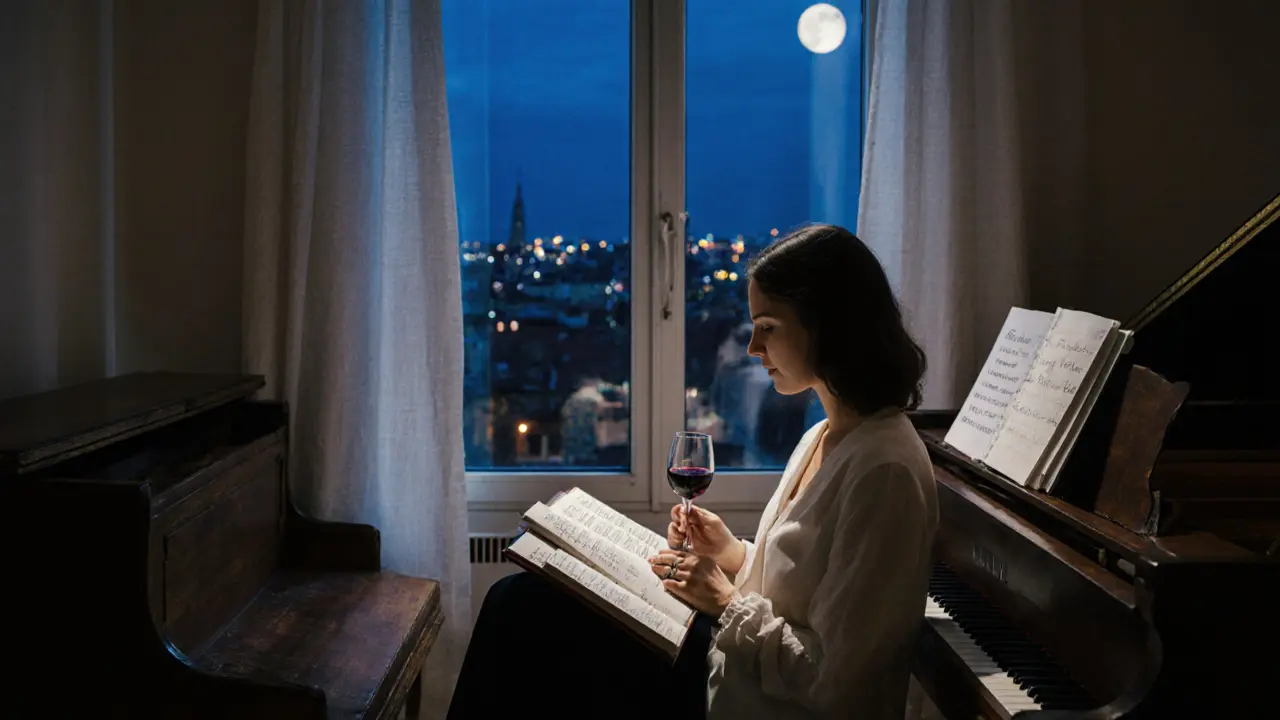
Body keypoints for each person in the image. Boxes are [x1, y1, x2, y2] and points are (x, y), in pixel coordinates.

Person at [447, 224, 938, 719]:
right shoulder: (825, 436)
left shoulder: (884, 473)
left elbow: (838, 685)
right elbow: (795, 588)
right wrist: (730, 553)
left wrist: (725, 602)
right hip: (736, 671)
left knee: (521, 612)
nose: (753, 347)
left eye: (768, 327)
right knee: (519, 599)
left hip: (751, 701)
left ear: (828, 325)